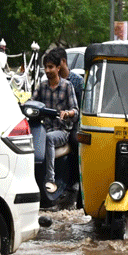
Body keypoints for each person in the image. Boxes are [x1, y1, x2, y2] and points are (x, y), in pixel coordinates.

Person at [31, 46, 79, 203]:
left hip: (61, 131)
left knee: (49, 138)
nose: (47, 70)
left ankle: (50, 181)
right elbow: (32, 102)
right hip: (44, 128)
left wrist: (67, 113)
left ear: (59, 67)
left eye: (50, 67)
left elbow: (75, 111)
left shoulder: (68, 86)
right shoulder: (42, 86)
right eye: (45, 67)